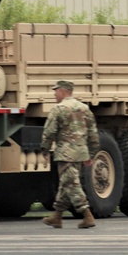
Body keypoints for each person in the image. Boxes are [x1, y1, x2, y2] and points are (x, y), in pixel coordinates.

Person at [41, 80, 100, 229]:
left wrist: (45, 149)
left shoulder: (59, 109)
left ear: (62, 91)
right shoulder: (84, 108)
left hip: (65, 152)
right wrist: (91, 153)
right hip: (80, 152)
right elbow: (93, 134)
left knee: (71, 184)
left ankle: (87, 215)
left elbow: (49, 132)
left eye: (56, 91)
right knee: (66, 184)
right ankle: (57, 216)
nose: (54, 94)